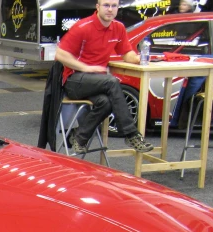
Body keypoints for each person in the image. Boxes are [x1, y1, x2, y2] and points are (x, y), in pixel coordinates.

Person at [55, 1, 154, 154]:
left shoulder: (118, 27)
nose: (110, 9)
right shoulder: (83, 27)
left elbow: (126, 53)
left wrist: (141, 58)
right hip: (74, 80)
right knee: (111, 81)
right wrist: (86, 68)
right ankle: (131, 134)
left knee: (107, 103)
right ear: (98, 7)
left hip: (96, 82)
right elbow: (60, 54)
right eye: (106, 5)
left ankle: (78, 136)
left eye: (114, 6)